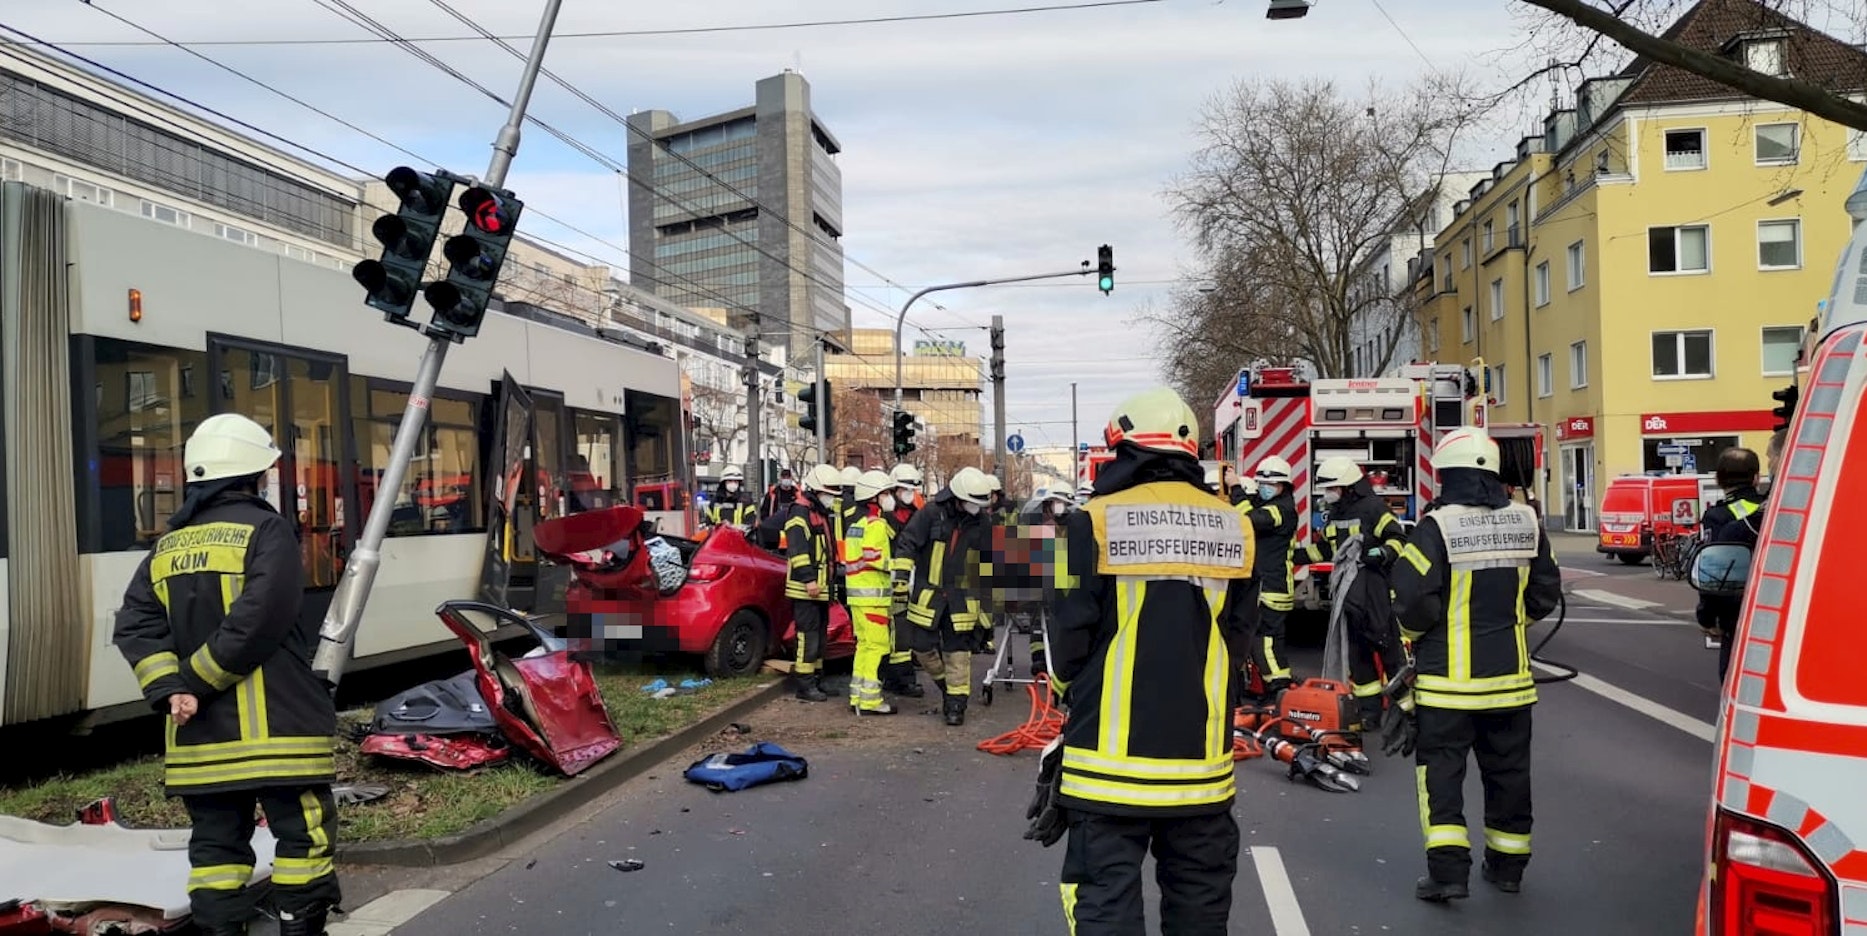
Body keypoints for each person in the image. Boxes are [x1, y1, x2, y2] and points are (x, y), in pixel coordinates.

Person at [1034, 387, 1258, 933]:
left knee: (1104, 900)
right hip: (1200, 768)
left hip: (1105, 769)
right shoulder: (1236, 526)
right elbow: (1240, 638)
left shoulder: (1090, 523)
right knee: (1200, 907)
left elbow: (1067, 633)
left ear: (1121, 450)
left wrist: (1068, 687)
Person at [112, 414, 341, 936]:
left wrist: (170, 688)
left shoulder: (165, 548)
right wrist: (194, 681)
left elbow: (136, 626)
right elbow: (260, 620)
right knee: (304, 841)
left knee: (215, 853)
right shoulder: (266, 531)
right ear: (254, 476)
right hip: (279, 736)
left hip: (199, 741)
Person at [1389, 427, 1562, 902]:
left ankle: (1448, 874)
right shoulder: (1528, 522)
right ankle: (1507, 868)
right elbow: (1546, 594)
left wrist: (1416, 638)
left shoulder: (1437, 527)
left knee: (1441, 775)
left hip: (1447, 687)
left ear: (1448, 475)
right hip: (1511, 685)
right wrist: (1509, 622)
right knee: (1509, 775)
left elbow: (1412, 603)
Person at [1299, 455, 1409, 729]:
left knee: (1390, 653)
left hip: (1374, 589)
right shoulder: (1335, 514)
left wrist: (1383, 553)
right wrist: (1296, 556)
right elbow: (1327, 549)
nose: (1327, 494)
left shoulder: (1373, 508)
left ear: (1346, 487)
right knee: (1359, 658)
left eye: (1332, 488)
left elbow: (1398, 538)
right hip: (1349, 596)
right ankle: (1370, 714)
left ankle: (1408, 711)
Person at [894, 466, 996, 726]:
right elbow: (907, 543)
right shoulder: (930, 513)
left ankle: (956, 705)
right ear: (958, 497)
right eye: (973, 503)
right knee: (921, 647)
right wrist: (902, 580)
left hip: (962, 598)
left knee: (958, 652)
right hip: (929, 596)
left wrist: (987, 610)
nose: (977, 508)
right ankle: (947, 687)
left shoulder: (982, 522)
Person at [1695, 447, 1767, 680]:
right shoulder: (1774, 507)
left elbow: (1712, 571)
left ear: (1718, 480)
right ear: (1756, 478)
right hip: (1775, 606)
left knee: (1732, 680)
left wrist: (1706, 616)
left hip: (1736, 612)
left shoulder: (1717, 516)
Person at [1237, 455, 1300, 698]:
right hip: (1268, 586)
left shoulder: (1282, 509)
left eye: (1269, 484)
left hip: (1273, 588)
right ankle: (1277, 690)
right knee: (1265, 641)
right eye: (1261, 483)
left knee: (1267, 642)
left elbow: (1250, 520)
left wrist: (1235, 490)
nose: (1264, 488)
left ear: (1282, 485)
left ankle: (1280, 690)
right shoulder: (1274, 505)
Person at [782, 464, 844, 702]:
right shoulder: (800, 512)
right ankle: (805, 685)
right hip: (805, 587)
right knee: (807, 636)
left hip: (820, 587)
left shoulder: (819, 511)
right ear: (817, 491)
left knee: (820, 635)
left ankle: (817, 679)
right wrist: (808, 579)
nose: (832, 499)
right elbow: (798, 551)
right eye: (829, 494)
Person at [842, 470, 900, 715]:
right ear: (874, 498)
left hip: (857, 597)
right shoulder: (876, 525)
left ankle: (857, 696)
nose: (889, 498)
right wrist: (899, 567)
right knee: (877, 647)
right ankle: (871, 701)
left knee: (864, 646)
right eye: (885, 493)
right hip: (873, 598)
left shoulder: (855, 525)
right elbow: (874, 558)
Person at [880, 462, 927, 697]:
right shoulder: (884, 516)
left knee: (904, 631)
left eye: (912, 490)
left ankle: (898, 677)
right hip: (890, 580)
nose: (909, 494)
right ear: (895, 489)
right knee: (898, 632)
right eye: (905, 489)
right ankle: (900, 679)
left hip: (911, 579)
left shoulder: (916, 515)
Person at [1027, 488, 1076, 678]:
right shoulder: (1037, 530)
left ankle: (1053, 659)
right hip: (1041, 586)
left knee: (1056, 621)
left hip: (1063, 587)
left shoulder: (1071, 527)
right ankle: (1040, 657)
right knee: (1039, 619)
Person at [754, 468, 800, 549]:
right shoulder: (772, 494)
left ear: (791, 478)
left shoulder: (797, 493)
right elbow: (764, 511)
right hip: (774, 531)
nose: (786, 479)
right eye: (784, 477)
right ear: (780, 478)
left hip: (793, 531)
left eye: (788, 477)